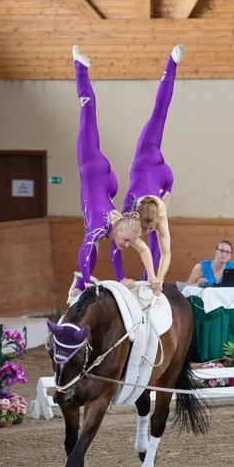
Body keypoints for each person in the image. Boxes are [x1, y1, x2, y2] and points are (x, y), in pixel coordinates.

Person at [72, 45, 162, 295]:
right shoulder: (103, 226)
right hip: (93, 170)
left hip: (105, 182)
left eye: (127, 242)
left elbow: (140, 248)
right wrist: (88, 279)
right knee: (87, 112)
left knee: (89, 113)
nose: (124, 245)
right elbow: (86, 248)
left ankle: (82, 69)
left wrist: (150, 277)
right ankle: (79, 66)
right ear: (121, 229)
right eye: (126, 241)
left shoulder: (117, 225)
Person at [111, 44, 186, 289]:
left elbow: (168, 252)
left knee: (159, 112)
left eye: (147, 227)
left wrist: (160, 279)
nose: (144, 231)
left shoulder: (158, 216)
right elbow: (117, 240)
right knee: (158, 114)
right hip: (156, 168)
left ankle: (171, 63)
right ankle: (148, 279)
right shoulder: (131, 211)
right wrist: (124, 274)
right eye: (145, 227)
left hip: (161, 175)